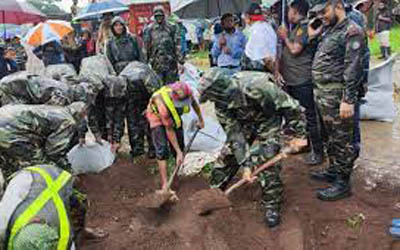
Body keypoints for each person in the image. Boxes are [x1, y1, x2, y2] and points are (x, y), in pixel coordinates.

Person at [198, 68, 306, 228]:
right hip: (244, 123)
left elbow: (293, 107)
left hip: (267, 119)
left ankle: (271, 204)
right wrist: (247, 166)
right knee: (228, 155)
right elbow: (235, 136)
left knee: (268, 157)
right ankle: (215, 192)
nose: (214, 102)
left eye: (214, 97)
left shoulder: (259, 86)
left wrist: (300, 135)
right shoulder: (221, 105)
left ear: (223, 90)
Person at [308, 0, 365, 201]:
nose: (321, 16)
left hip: (337, 96)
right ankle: (333, 170)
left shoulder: (352, 30)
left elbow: (353, 67)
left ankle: (343, 182)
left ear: (337, 5)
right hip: (323, 95)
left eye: (324, 11)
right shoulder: (329, 30)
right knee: (329, 137)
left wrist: (348, 99)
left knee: (342, 140)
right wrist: (313, 36)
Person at [0, 164, 107, 249]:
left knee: (78, 204)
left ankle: (82, 232)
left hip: (49, 176)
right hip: (29, 183)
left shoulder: (63, 239)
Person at [276, 0, 324, 165]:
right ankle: (306, 144)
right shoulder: (296, 28)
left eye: (289, 11)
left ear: (295, 11)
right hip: (293, 79)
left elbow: (295, 50)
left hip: (302, 79)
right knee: (300, 116)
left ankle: (318, 151)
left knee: (310, 116)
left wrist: (284, 38)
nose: (287, 14)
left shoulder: (304, 27)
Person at [0, 102, 88, 179]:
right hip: (9, 132)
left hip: (5, 118)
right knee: (41, 167)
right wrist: (69, 171)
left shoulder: (57, 110)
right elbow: (53, 152)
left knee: (8, 164)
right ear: (80, 115)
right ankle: (31, 193)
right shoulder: (68, 121)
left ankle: (9, 191)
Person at [146, 82, 204, 192]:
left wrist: (201, 119)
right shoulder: (161, 103)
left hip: (173, 116)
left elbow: (194, 104)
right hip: (156, 116)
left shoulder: (187, 92)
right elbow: (169, 129)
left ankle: (175, 176)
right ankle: (165, 184)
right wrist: (178, 152)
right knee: (162, 149)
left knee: (180, 145)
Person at [120, 61, 163, 159]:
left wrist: (150, 107)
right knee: (132, 119)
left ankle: (153, 148)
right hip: (133, 92)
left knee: (151, 120)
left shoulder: (147, 80)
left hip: (148, 93)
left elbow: (157, 95)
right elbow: (121, 113)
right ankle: (137, 149)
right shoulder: (120, 83)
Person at [143, 6, 185, 85]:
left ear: (164, 15)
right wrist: (145, 64)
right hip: (156, 64)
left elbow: (177, 45)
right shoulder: (149, 29)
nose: (159, 18)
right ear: (154, 16)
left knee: (172, 86)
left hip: (171, 63)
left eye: (161, 15)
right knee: (158, 87)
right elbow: (146, 47)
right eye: (157, 16)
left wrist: (181, 62)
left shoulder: (172, 27)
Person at [242, 3, 278, 73]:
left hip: (260, 74)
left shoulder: (257, 31)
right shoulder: (267, 27)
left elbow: (267, 59)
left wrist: (275, 73)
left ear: (247, 17)